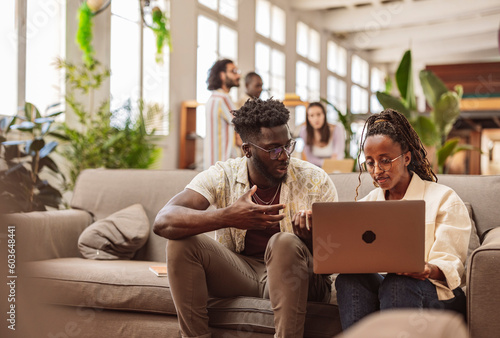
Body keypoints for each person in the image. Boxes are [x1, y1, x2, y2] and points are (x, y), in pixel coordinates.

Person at [153, 98, 338, 338]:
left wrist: (310, 241)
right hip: (244, 273)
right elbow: (164, 220)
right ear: (248, 149)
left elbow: (338, 257)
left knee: (283, 242)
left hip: (299, 278)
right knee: (181, 243)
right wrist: (227, 217)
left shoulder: (315, 180)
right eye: (273, 149)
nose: (284, 156)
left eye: (288, 145)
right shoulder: (223, 175)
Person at [335, 108, 471, 330]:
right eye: (370, 163)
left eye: (385, 161)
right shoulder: (367, 205)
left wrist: (426, 269)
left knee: (398, 283)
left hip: (439, 293)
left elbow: (453, 266)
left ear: (406, 157)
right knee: (349, 280)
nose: (377, 170)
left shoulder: (444, 198)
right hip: (389, 287)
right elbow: (350, 253)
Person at [204, 58, 242, 169]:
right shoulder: (223, 98)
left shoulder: (212, 98)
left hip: (212, 164)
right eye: (233, 71)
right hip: (224, 165)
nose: (238, 76)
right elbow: (242, 124)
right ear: (222, 75)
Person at [299, 102, 346, 167]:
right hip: (315, 169)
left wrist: (329, 164)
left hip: (334, 168)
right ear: (308, 118)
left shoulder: (337, 129)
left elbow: (339, 155)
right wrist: (327, 163)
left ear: (324, 115)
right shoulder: (305, 131)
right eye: (312, 115)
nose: (316, 119)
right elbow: (310, 158)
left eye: (318, 114)